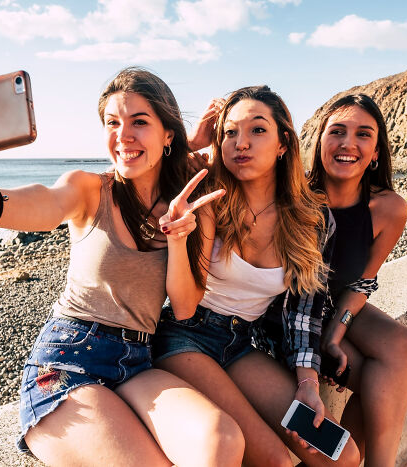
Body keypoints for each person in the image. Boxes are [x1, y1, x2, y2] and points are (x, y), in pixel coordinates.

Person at [0, 67, 242, 467]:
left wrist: (178, 238)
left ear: (168, 135)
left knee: (222, 439)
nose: (122, 135)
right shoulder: (89, 189)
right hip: (69, 360)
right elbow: (45, 202)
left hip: (139, 360)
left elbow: (183, 307)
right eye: (112, 123)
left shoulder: (193, 203)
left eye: (139, 122)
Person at [154, 86, 360, 467]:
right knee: (274, 460)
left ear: (284, 143)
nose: (241, 143)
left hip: (240, 343)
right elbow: (138, 170)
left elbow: (305, 314)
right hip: (183, 336)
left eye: (257, 130)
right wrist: (193, 142)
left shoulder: (313, 221)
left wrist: (308, 385)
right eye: (229, 132)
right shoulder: (208, 196)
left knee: (341, 456)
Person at [306, 94, 407, 467]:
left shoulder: (388, 208)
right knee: (376, 376)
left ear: (375, 153)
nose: (347, 143)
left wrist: (335, 334)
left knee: (401, 343)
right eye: (337, 131)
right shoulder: (295, 198)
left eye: (363, 134)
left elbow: (362, 284)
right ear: (319, 140)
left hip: (337, 305)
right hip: (285, 314)